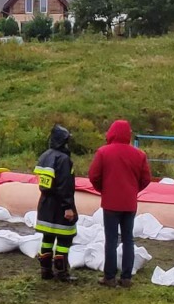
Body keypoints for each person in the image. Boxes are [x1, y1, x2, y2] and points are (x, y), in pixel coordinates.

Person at [89, 119, 152, 287]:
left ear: (111, 132)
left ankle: (109, 277)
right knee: (128, 239)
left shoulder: (103, 152)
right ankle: (126, 277)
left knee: (110, 240)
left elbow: (93, 176)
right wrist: (133, 190)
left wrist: (104, 189)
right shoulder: (139, 155)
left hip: (110, 203)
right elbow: (146, 178)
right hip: (129, 204)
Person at [34, 124, 78, 281]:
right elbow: (65, 185)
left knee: (47, 238)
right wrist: (68, 207)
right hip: (60, 206)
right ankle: (61, 272)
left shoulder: (44, 156)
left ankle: (45, 270)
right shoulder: (64, 159)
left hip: (45, 204)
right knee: (64, 239)